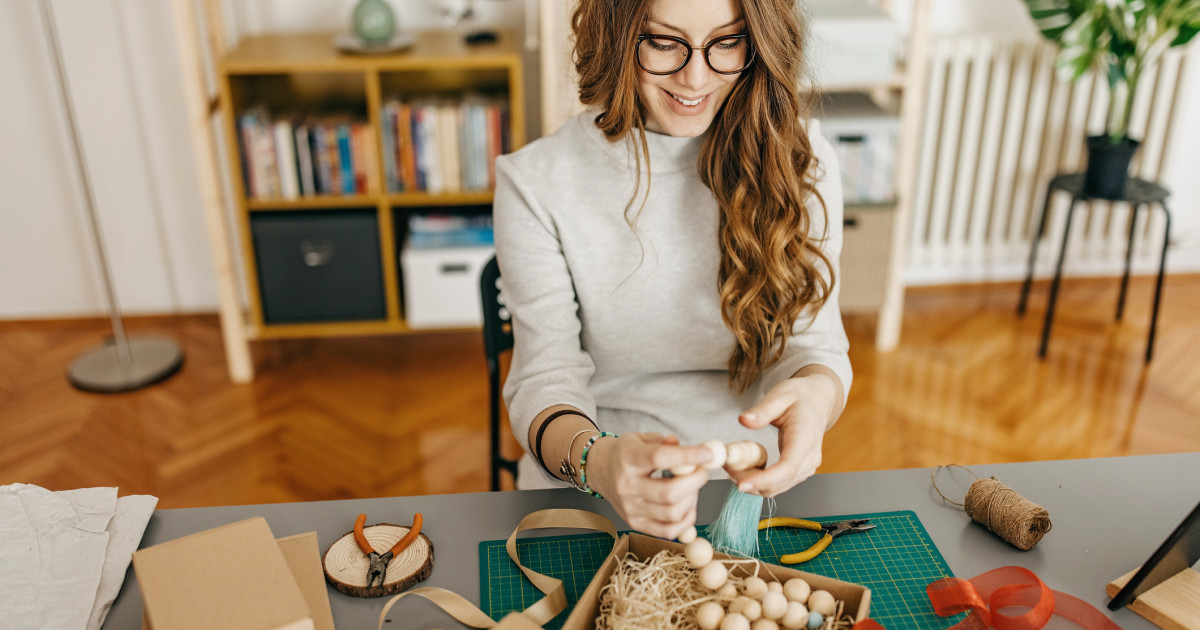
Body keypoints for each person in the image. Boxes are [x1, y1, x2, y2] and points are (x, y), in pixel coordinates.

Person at [492, 0, 851, 540]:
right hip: (593, 482)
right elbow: (544, 382)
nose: (696, 76)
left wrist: (816, 396)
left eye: (726, 42)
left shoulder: (802, 160)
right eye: (664, 43)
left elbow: (815, 347)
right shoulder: (536, 182)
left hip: (754, 487)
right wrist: (599, 462)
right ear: (617, 37)